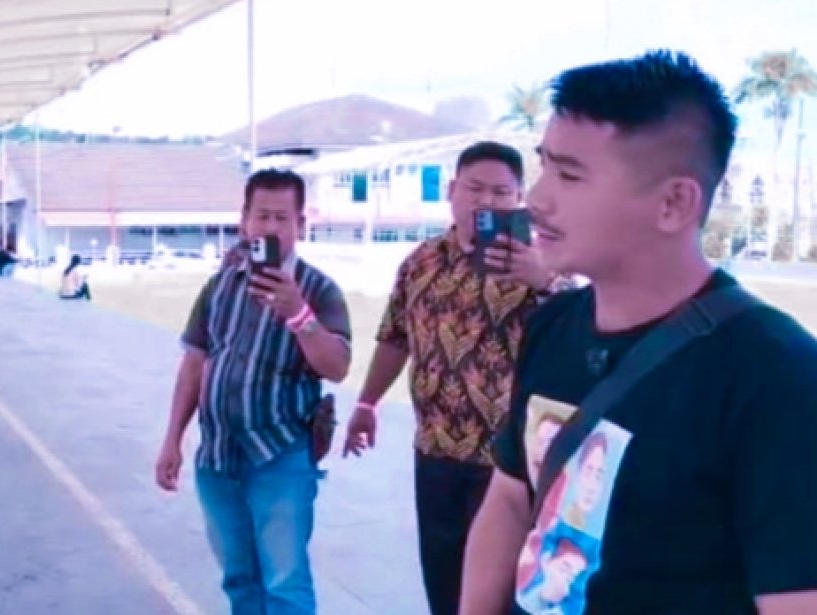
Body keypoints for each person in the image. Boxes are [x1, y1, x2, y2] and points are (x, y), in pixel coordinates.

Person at [461, 50, 817, 615]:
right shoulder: (553, 325)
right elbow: (509, 498)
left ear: (674, 203)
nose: (538, 199)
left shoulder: (776, 374)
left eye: (570, 175)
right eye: (544, 166)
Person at [342, 141, 568, 615]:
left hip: (507, 465)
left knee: (502, 594)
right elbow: (394, 338)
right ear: (451, 191)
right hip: (436, 453)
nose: (486, 201)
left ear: (519, 198)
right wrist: (366, 404)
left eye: (501, 192)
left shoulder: (544, 260)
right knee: (444, 584)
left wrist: (546, 280)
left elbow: (587, 323)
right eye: (475, 188)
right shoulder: (421, 262)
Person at [155, 168, 352, 614]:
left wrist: (299, 314)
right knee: (239, 578)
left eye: (283, 218)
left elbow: (337, 367)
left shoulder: (320, 290)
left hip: (279, 455)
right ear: (244, 220)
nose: (271, 227)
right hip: (218, 456)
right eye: (262, 216)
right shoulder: (221, 284)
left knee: (284, 582)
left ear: (301, 224)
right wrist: (172, 439)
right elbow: (194, 362)